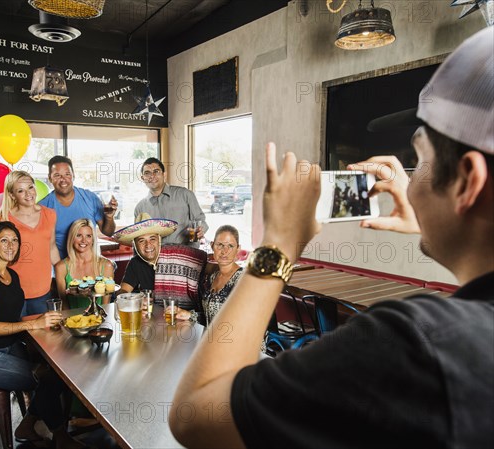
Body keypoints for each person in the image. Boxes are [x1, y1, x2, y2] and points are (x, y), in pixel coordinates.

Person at [169, 27, 494, 448]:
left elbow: (196, 415)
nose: (409, 182)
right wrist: (443, 217)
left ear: (468, 181)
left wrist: (280, 242)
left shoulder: (416, 346)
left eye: (419, 161)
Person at [0, 221, 86, 449]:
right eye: (4, 240)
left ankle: (27, 425)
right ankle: (61, 437)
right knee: (41, 379)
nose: (11, 245)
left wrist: (44, 319)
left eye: (15, 240)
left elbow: (13, 319)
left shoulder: (12, 275)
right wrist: (33, 324)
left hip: (8, 346)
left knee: (58, 375)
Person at [0, 170, 60, 316]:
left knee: (43, 336)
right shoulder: (4, 217)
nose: (28, 194)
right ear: (12, 195)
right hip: (13, 289)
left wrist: (64, 274)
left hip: (42, 290)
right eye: (20, 190)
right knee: (17, 336)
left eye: (30, 187)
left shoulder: (50, 214)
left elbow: (51, 248)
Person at [113, 213, 206, 310]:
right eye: (141, 241)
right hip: (154, 317)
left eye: (152, 239)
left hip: (185, 316)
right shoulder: (135, 263)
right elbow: (124, 290)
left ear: (159, 240)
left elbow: (208, 266)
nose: (148, 245)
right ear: (135, 245)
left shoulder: (177, 256)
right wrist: (133, 300)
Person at [39, 155, 116, 258]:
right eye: (57, 175)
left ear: (73, 175)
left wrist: (109, 217)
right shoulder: (43, 207)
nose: (63, 179)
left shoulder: (90, 198)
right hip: (60, 266)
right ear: (50, 178)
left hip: (90, 265)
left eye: (67, 174)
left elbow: (109, 232)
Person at [174, 225, 243, 325]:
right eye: (220, 245)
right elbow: (209, 318)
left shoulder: (242, 280)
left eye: (231, 246)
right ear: (212, 246)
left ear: (238, 248)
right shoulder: (212, 278)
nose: (224, 251)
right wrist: (188, 314)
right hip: (213, 338)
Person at [134, 157, 208, 247]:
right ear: (143, 178)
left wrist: (200, 230)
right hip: (157, 257)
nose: (152, 176)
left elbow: (200, 221)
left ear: (164, 175)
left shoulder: (185, 194)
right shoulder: (140, 208)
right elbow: (138, 239)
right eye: (147, 173)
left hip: (187, 254)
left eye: (156, 171)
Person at [54, 219, 115, 308]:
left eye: (88, 236)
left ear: (93, 239)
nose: (84, 240)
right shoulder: (61, 267)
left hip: (99, 318)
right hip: (73, 319)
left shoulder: (106, 265)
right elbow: (64, 304)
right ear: (72, 238)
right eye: (79, 235)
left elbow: (106, 305)